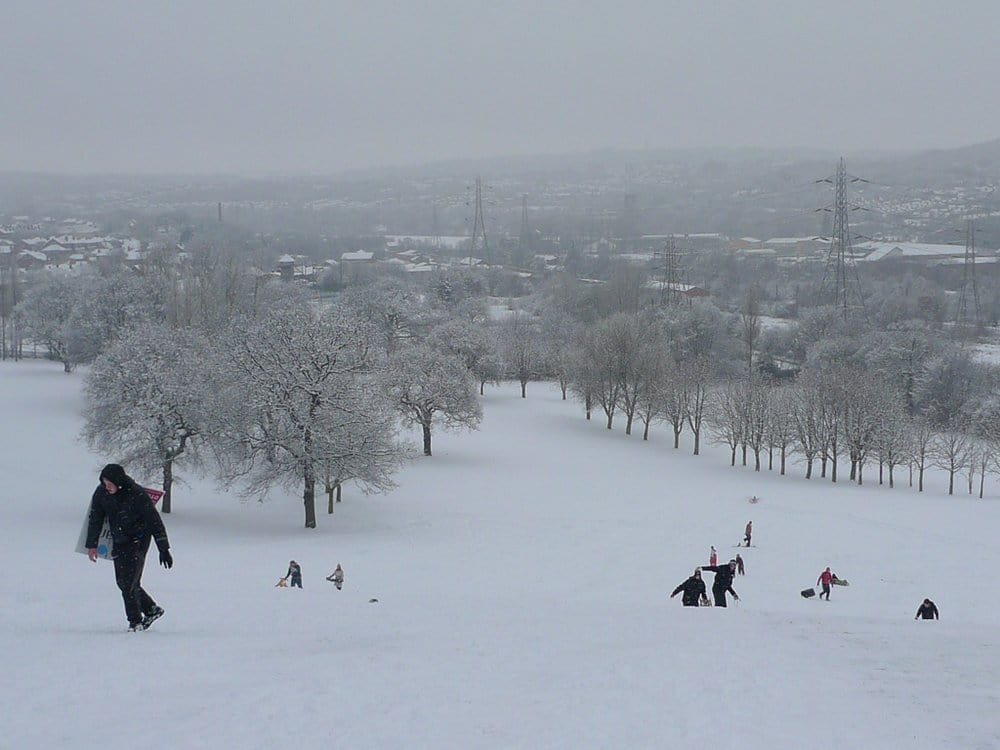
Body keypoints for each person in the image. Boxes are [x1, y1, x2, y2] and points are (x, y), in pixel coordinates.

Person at [85, 463, 172, 631]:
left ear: (118, 481)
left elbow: (154, 521)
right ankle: (151, 609)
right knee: (124, 582)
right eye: (104, 483)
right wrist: (91, 545)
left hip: (138, 540)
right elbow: (95, 518)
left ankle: (135, 622)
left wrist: (164, 548)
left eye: (109, 484)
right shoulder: (102, 493)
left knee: (128, 583)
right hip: (119, 540)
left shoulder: (137, 494)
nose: (106, 487)